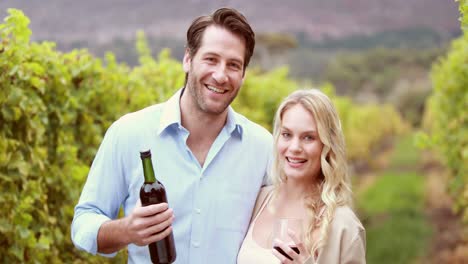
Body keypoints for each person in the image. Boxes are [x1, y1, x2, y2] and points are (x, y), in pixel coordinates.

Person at [71, 7, 273, 264]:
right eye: (211, 59)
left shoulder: (263, 148)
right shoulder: (129, 133)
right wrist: (127, 230)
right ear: (188, 59)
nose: (221, 75)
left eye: (233, 65)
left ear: (243, 74)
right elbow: (84, 222)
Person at [237, 89, 366, 264]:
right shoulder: (258, 199)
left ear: (327, 146)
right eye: (287, 135)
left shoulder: (343, 225)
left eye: (308, 137)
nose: (294, 147)